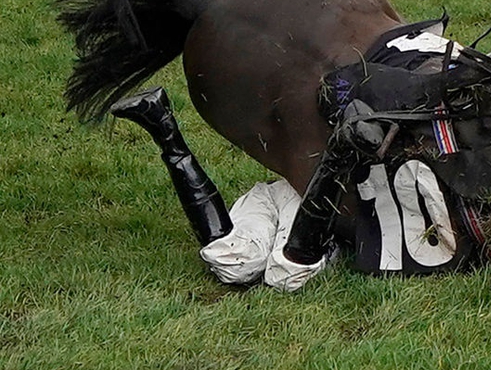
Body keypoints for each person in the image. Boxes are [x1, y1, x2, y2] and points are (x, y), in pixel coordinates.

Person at [110, 87, 335, 292]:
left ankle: (162, 125)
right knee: (281, 273)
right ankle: (337, 157)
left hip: (319, 203)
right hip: (306, 193)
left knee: (242, 264)